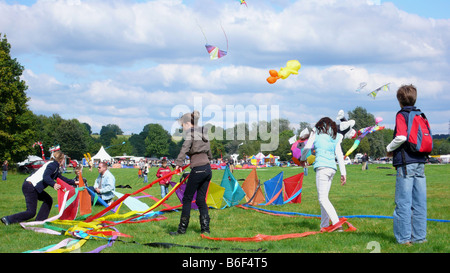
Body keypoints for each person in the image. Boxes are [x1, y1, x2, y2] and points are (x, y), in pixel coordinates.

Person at [386, 84, 428, 245]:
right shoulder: (420, 114)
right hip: (420, 161)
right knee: (419, 202)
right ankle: (419, 237)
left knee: (403, 202)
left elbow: (402, 137)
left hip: (406, 163)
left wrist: (389, 148)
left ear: (399, 100)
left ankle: (404, 239)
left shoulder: (402, 114)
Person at [1, 151, 77, 225]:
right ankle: (8, 219)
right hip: (30, 187)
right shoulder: (53, 165)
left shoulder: (54, 166)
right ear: (61, 160)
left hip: (33, 187)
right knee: (31, 212)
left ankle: (40, 220)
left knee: (48, 199)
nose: (64, 161)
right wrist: (53, 184)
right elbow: (46, 177)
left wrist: (74, 182)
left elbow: (60, 178)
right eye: (64, 159)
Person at [171, 110, 213, 235]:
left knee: (187, 198)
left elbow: (184, 149)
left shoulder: (191, 134)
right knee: (201, 199)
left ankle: (182, 229)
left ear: (188, 123)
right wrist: (207, 159)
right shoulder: (204, 133)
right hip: (207, 169)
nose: (182, 128)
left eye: (182, 126)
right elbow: (209, 152)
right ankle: (205, 229)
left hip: (198, 169)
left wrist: (178, 164)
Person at [301, 117, 347, 231]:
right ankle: (324, 225)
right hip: (332, 169)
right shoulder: (334, 135)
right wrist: (343, 173)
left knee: (322, 198)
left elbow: (307, 146)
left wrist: (302, 159)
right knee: (324, 198)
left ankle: (337, 224)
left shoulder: (315, 131)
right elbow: (339, 154)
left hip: (322, 167)